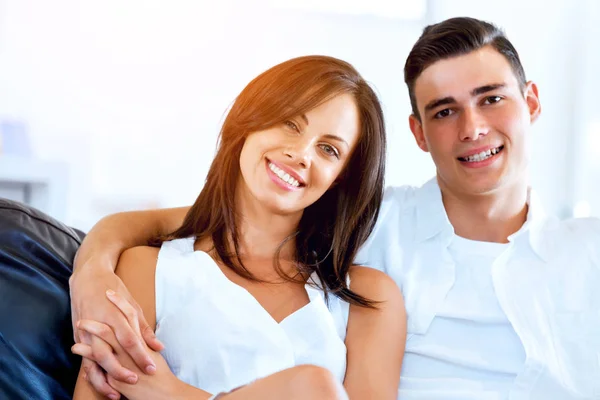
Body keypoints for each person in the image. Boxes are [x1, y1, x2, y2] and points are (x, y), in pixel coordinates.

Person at [70, 17, 600, 400]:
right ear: (419, 133)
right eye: (444, 110)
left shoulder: (586, 252)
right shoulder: (378, 227)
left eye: (491, 99)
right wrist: (92, 268)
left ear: (531, 102)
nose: (472, 128)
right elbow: (207, 218)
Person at [70, 55, 405, 400]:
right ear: (250, 122)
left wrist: (171, 393)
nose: (302, 154)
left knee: (314, 389)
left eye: (328, 149)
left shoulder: (370, 299)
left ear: (340, 179)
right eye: (290, 124)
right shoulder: (148, 269)